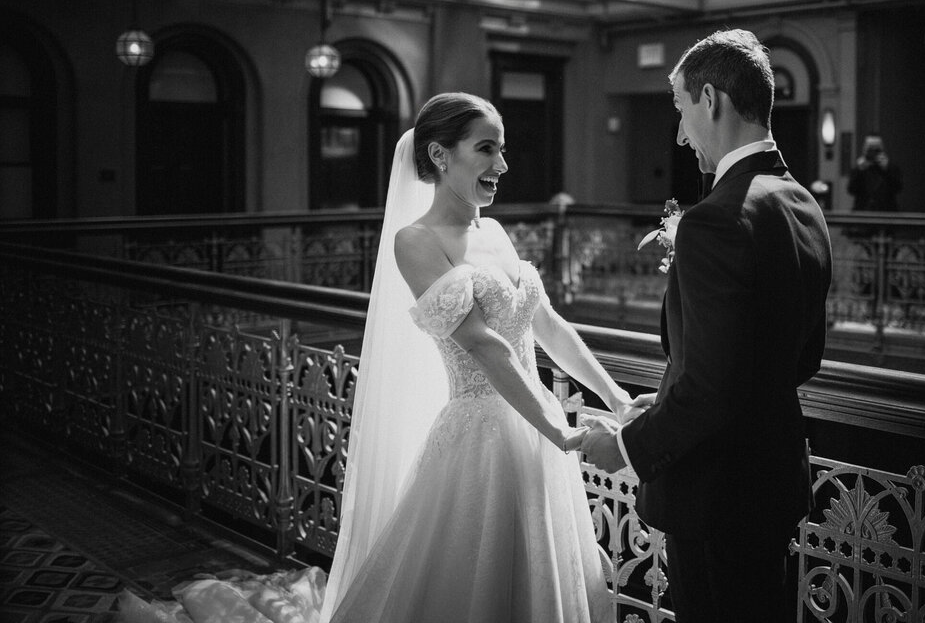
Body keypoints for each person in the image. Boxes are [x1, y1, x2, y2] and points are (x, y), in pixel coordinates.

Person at [120, 92, 632, 623]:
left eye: (502, 150)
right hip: (483, 437)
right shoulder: (415, 241)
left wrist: (615, 398)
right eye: (486, 149)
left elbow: (549, 324)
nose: (501, 165)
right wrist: (558, 429)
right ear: (439, 155)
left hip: (534, 425)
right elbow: (482, 345)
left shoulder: (497, 231)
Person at [581, 29, 833, 623]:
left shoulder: (715, 221)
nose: (678, 133)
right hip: (770, 480)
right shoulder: (801, 202)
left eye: (680, 110)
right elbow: (798, 359)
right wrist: (670, 395)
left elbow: (716, 389)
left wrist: (621, 447)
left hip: (716, 494)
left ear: (712, 100)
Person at [848, 133, 902, 212]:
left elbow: (898, 188)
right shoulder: (859, 168)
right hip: (863, 213)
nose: (873, 153)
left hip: (886, 214)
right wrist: (858, 171)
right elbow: (851, 190)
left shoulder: (891, 168)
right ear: (864, 150)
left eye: (876, 150)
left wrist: (887, 169)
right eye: (870, 149)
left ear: (882, 150)